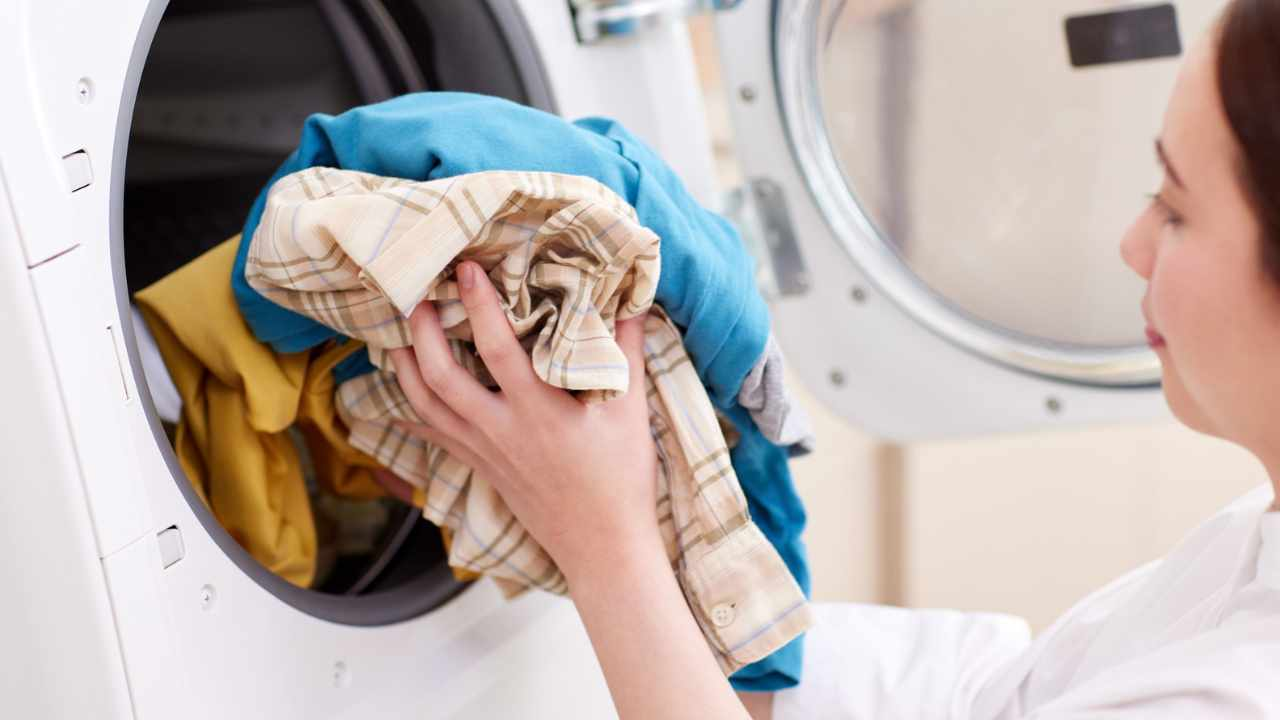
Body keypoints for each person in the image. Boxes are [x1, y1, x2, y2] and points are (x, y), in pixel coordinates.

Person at [383, 1, 1280, 716]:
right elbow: (991, 697)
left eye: (1175, 209)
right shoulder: (1251, 541)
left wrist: (607, 547)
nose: (1133, 243)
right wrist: (642, 544)